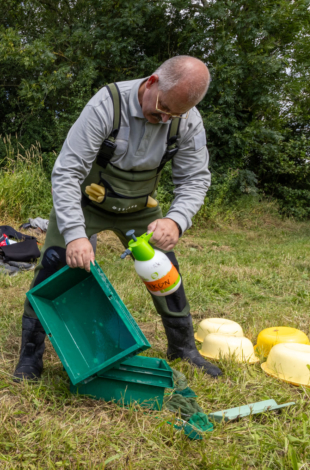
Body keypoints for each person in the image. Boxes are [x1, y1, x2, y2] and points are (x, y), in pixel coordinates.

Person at [14, 56, 222, 382]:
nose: (165, 118)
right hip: (86, 202)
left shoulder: (188, 121)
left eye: (174, 115)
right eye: (162, 108)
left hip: (141, 208)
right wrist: (75, 234)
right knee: (54, 264)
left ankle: (182, 347)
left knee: (165, 272)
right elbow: (67, 173)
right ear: (152, 82)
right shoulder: (107, 104)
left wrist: (176, 220)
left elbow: (196, 178)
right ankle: (30, 353)